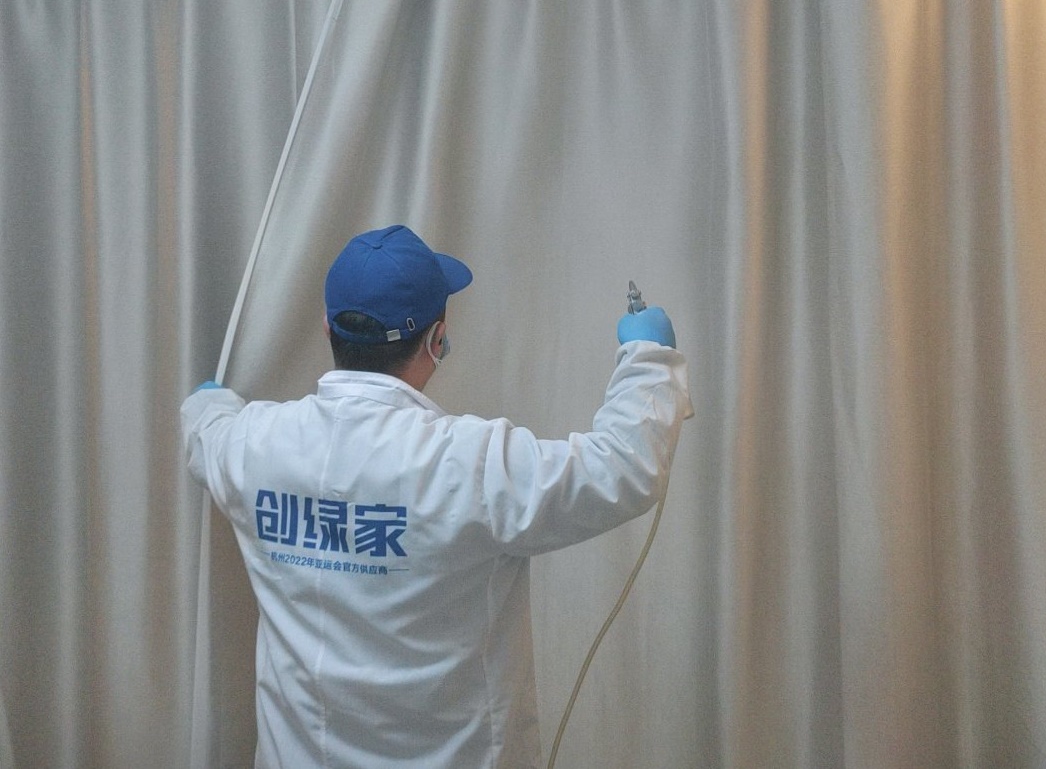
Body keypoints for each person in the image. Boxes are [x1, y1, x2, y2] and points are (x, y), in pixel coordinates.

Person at [182, 224, 692, 769]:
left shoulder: (252, 445)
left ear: (328, 326)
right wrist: (647, 357)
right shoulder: (471, 465)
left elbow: (201, 426)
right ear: (436, 341)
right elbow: (622, 468)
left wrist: (210, 402)